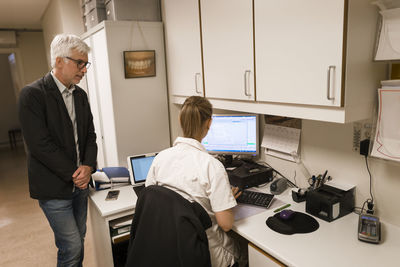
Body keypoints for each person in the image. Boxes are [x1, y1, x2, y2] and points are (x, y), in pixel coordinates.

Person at [18, 34, 97, 267]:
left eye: (85, 64)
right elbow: (39, 145)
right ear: (59, 61)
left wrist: (88, 166)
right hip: (53, 187)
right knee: (71, 244)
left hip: (80, 184)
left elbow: (89, 136)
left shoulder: (80, 96)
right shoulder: (33, 95)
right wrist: (76, 173)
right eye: (79, 63)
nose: (84, 69)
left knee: (78, 241)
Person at [146, 96, 244, 267]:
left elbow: (152, 201)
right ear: (209, 123)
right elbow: (226, 225)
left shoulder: (160, 158)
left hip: (171, 250)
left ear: (180, 120)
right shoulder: (212, 166)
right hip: (206, 254)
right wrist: (228, 199)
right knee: (246, 254)